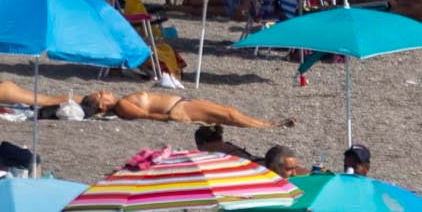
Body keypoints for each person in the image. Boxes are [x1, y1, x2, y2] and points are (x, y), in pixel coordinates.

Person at [79, 89, 292, 128]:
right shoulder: (122, 105)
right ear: (101, 104)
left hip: (181, 104)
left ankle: (265, 124)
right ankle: (265, 126)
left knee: (229, 112)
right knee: (228, 114)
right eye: (100, 93)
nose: (105, 90)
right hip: (179, 108)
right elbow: (145, 115)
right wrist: (171, 118)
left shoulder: (121, 103)